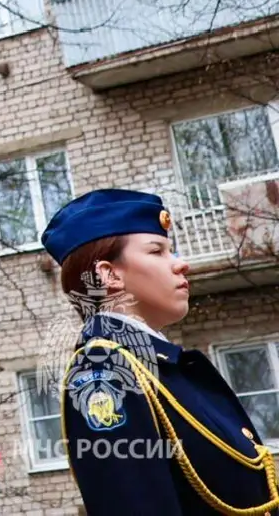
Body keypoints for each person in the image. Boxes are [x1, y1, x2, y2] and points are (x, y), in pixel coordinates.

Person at [44, 188, 278, 513]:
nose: (182, 264)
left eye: (172, 251)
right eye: (157, 251)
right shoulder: (106, 371)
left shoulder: (164, 369)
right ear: (109, 274)